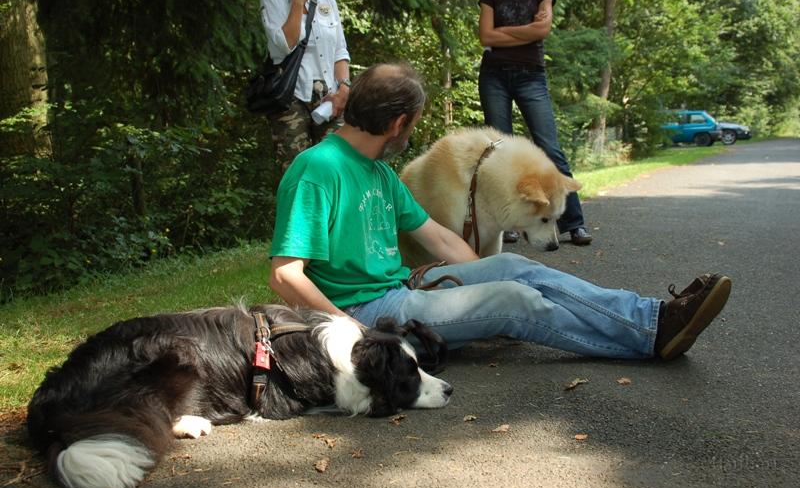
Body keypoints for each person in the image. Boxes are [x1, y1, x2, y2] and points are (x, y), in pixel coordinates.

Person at [269, 63, 732, 362]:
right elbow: (285, 275)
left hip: (400, 289)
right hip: (367, 312)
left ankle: (650, 317)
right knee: (515, 302)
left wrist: (489, 273)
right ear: (397, 124)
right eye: (414, 122)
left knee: (512, 266)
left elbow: (442, 241)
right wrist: (351, 328)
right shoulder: (319, 169)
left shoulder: (378, 174)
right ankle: (651, 340)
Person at [478, 0, 592, 246]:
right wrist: (527, 31)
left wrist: (503, 30)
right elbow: (486, 37)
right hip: (494, 76)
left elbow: (543, 29)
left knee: (549, 147)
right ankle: (511, 224)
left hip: (531, 75)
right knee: (498, 151)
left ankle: (573, 223)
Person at [260, 0, 351, 173]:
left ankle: (332, 207)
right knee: (296, 172)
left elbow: (340, 51)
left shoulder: (327, 1)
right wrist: (298, 1)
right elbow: (286, 43)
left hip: (329, 96)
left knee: (336, 167)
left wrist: (344, 89)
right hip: (289, 97)